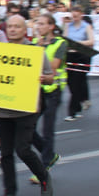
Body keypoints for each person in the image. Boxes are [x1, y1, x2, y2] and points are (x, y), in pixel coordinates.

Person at [0, 14, 54, 196]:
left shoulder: (34, 52)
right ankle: (10, 192)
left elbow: (51, 77)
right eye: (9, 26)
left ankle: (43, 177)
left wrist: (44, 79)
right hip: (3, 109)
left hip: (26, 109)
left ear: (24, 30)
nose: (12, 29)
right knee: (6, 153)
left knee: (23, 150)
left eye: (17, 26)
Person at [31, 14, 66, 168]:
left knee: (47, 129)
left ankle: (44, 167)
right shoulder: (33, 42)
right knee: (28, 127)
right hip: (37, 90)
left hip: (53, 89)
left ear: (51, 26)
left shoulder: (60, 43)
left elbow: (52, 67)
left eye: (43, 24)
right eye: (38, 24)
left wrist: (39, 49)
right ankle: (49, 154)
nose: (39, 27)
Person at [63, 5, 94, 121]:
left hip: (81, 55)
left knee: (76, 83)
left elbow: (91, 41)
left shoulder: (86, 27)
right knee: (71, 83)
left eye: (76, 15)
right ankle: (78, 107)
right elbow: (65, 39)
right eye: (73, 16)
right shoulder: (68, 26)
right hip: (70, 56)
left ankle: (72, 112)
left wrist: (78, 43)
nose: (74, 18)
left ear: (81, 15)